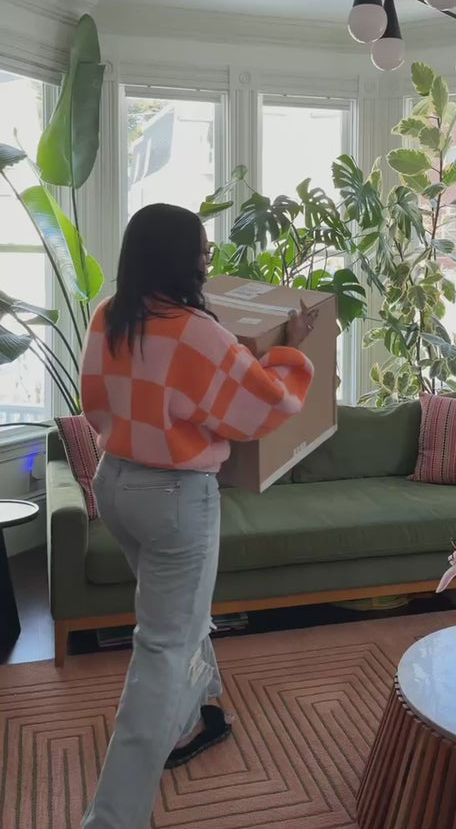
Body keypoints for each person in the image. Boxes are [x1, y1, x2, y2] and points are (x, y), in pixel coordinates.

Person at [80, 203, 317, 829]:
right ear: (179, 258)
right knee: (162, 648)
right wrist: (292, 354)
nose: (209, 261)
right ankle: (113, 818)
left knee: (177, 619)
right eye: (203, 251)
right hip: (174, 499)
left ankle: (196, 715)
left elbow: (94, 403)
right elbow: (262, 407)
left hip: (114, 485)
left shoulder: (109, 315)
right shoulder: (196, 332)